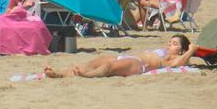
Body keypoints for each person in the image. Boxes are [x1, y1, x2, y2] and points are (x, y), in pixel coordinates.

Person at [44, 35, 197, 79]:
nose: (169, 45)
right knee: (97, 60)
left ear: (181, 50)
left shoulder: (174, 59)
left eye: (174, 44)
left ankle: (87, 76)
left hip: (139, 64)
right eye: (170, 42)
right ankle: (59, 74)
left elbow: (180, 63)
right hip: (128, 57)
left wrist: (191, 50)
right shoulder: (165, 51)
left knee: (109, 68)